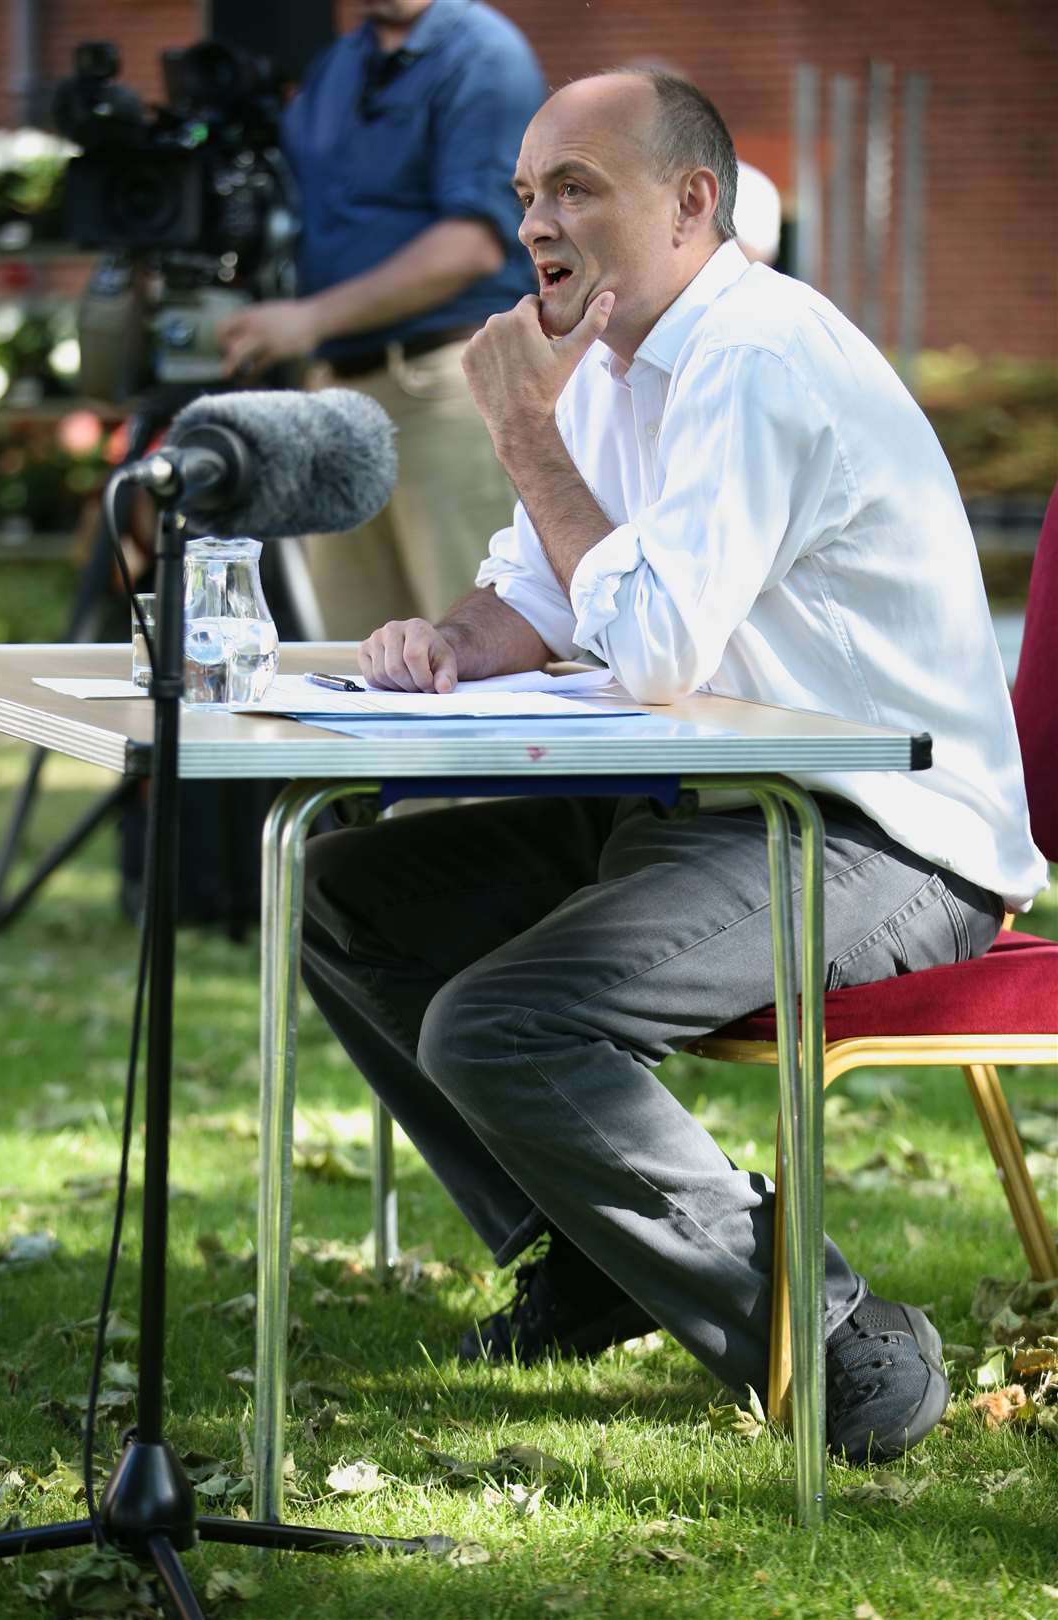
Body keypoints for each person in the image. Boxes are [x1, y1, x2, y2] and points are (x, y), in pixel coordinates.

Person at [300, 70, 1047, 1463]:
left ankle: (830, 1341)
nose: (538, 225)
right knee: (349, 892)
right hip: (705, 808)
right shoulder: (613, 364)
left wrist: (516, 429)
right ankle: (585, 1250)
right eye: (527, 195)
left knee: (501, 1022)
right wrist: (437, 642)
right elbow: (537, 593)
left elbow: (644, 642)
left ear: (694, 202)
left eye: (577, 188)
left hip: (884, 838)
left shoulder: (757, 357)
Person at [217, 0, 546, 637]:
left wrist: (308, 318)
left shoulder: (484, 54)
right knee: (355, 663)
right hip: (337, 393)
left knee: (475, 652)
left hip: (445, 385)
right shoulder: (338, 66)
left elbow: (473, 244)